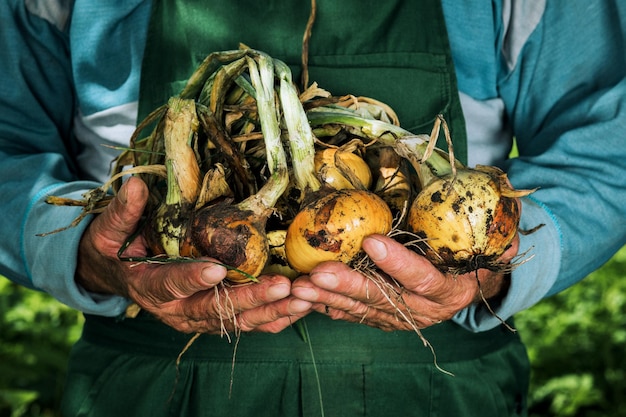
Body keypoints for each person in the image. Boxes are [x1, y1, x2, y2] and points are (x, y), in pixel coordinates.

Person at [1, 1, 625, 416]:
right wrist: (87, 254)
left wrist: (493, 269)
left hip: (437, 393)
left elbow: (608, 150)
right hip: (150, 389)